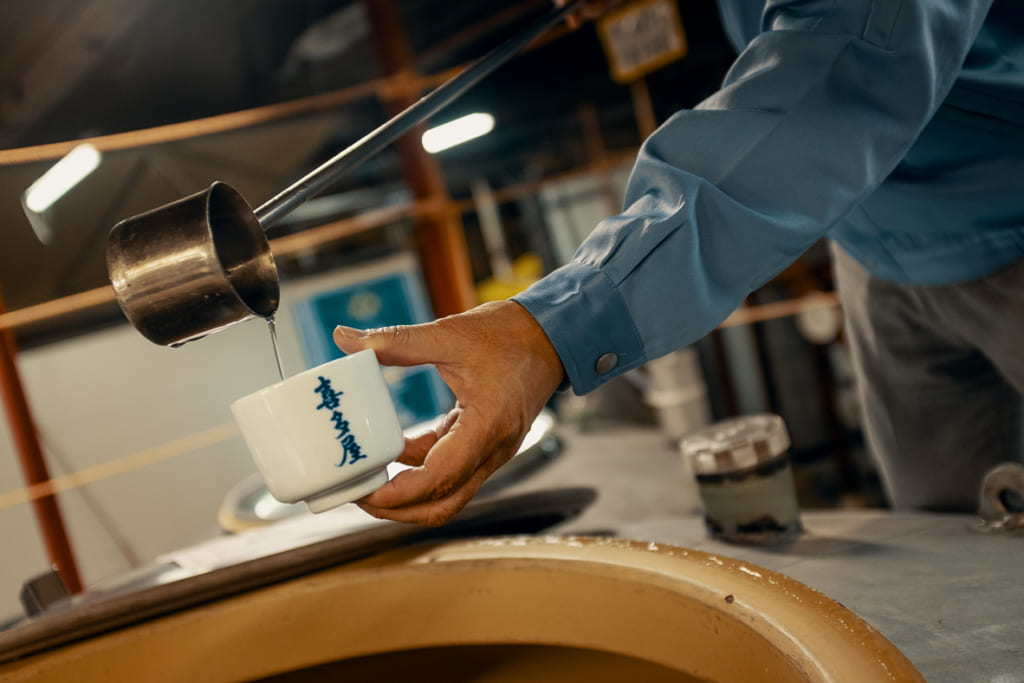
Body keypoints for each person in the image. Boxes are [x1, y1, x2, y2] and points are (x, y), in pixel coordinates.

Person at [334, 0, 1024, 526]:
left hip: (1009, 211)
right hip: (877, 243)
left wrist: (548, 331)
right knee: (946, 545)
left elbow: (836, 71)